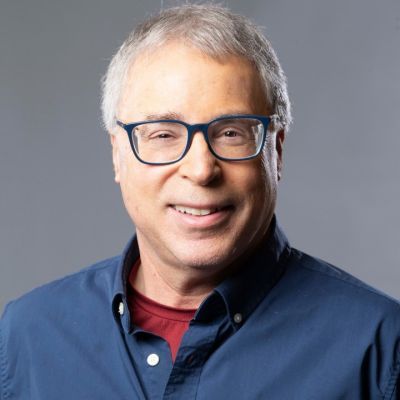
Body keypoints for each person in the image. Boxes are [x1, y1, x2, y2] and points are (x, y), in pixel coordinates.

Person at [1, 4, 399, 400]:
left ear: (276, 151)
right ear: (117, 154)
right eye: (162, 134)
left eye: (230, 133)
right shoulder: (27, 337)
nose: (201, 169)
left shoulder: (379, 347)